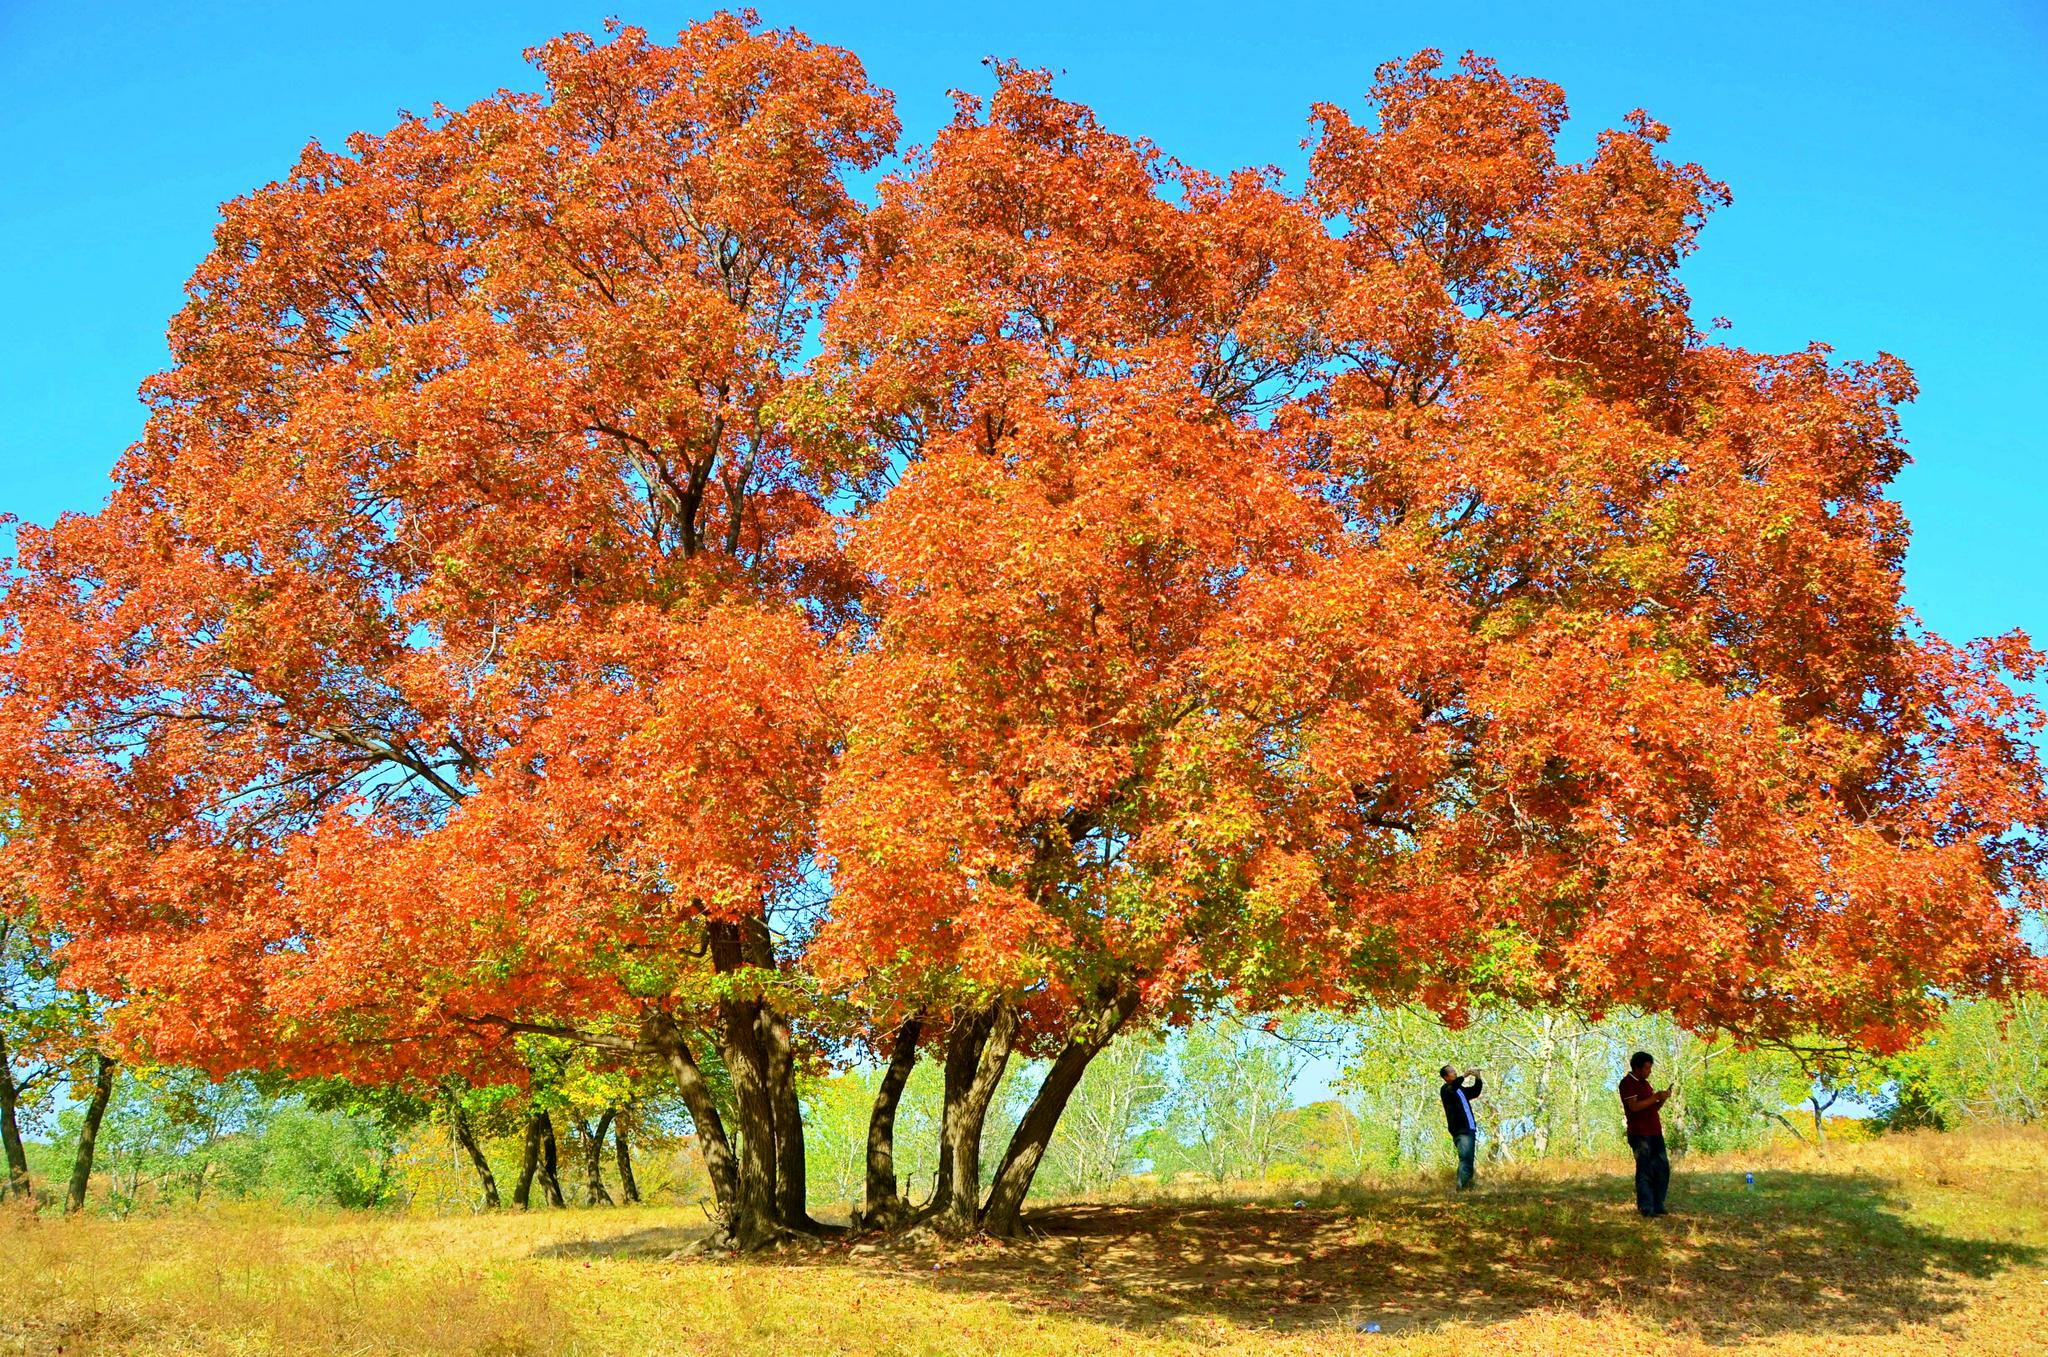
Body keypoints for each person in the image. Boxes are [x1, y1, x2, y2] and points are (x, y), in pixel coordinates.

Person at [1618, 1050, 1673, 1217]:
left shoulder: (1646, 1084)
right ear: (1637, 1067)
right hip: (1640, 1134)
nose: (1649, 1071)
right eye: (1647, 1068)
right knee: (1645, 1169)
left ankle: (1658, 1204)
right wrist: (1655, 1097)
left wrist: (1661, 1099)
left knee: (1662, 1168)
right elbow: (1634, 1107)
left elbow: (1651, 1107)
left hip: (1655, 1131)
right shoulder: (1627, 1083)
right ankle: (1646, 1207)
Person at [1438, 1064, 1484, 1190]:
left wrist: (1478, 1078)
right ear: (1446, 1077)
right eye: (1452, 1072)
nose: (1455, 1072)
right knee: (1465, 1159)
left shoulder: (1460, 1090)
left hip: (1470, 1128)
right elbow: (1453, 1087)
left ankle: (1467, 1186)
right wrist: (1465, 1075)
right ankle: (1462, 1188)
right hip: (1461, 1130)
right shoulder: (1446, 1090)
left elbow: (1475, 1092)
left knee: (1468, 1158)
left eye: (1454, 1070)